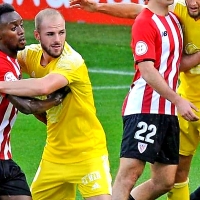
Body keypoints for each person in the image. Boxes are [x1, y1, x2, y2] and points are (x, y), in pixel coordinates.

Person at [70, 0, 200, 199]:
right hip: (146, 107)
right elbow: (147, 70)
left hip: (168, 111)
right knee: (130, 173)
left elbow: (177, 64)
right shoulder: (147, 21)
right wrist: (178, 100)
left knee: (165, 181)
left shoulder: (174, 20)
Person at [0, 8, 112, 200]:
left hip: (87, 152)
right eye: (50, 34)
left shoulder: (72, 61)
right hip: (55, 154)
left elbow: (43, 87)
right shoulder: (30, 56)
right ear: (37, 35)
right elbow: (7, 55)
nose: (57, 40)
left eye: (61, 32)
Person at [0, 3, 68, 200]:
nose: (21, 31)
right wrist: (56, 98)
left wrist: (51, 121)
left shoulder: (12, 61)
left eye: (21, 25)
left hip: (4, 160)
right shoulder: (3, 65)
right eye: (13, 28)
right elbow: (26, 106)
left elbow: (25, 102)